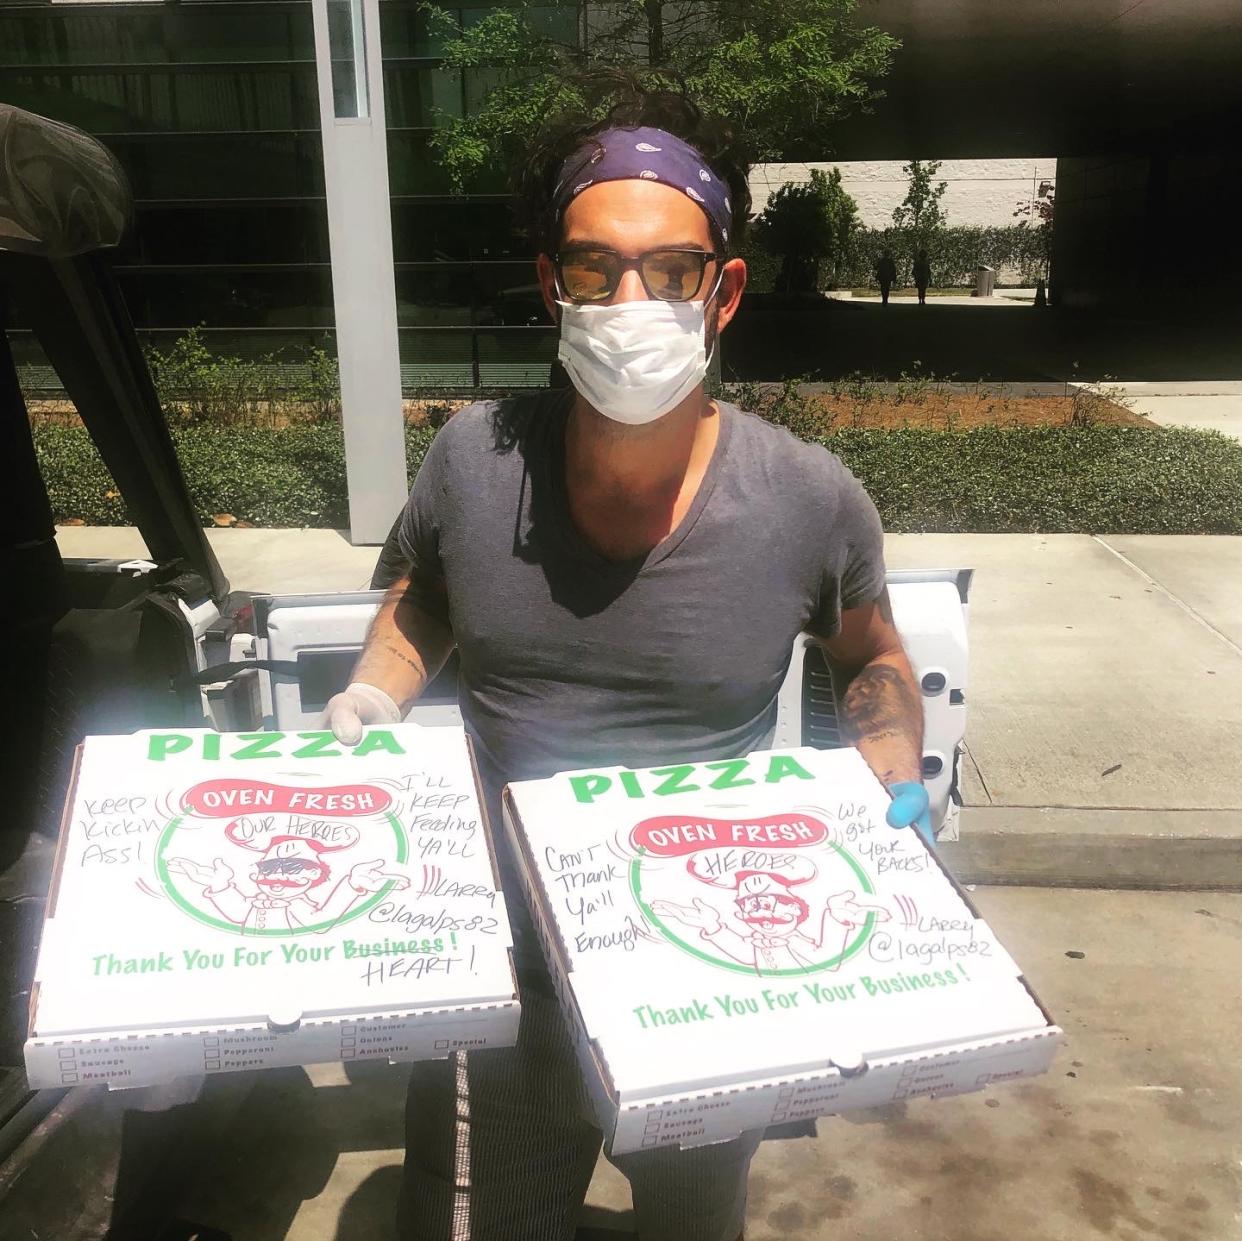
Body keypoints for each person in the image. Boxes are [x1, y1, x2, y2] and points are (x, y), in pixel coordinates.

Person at [325, 78, 931, 1241]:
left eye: (671, 268)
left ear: (725, 289)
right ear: (553, 283)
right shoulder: (472, 461)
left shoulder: (808, 500)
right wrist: (372, 689)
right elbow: (426, 598)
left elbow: (873, 653)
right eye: (596, 268)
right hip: (508, 979)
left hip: (709, 972)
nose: (630, 297)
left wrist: (889, 764)